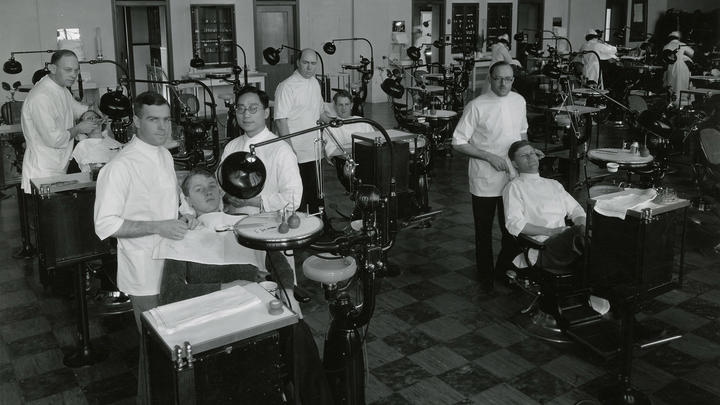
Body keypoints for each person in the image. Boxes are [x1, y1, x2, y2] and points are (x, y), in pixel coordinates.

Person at [94, 91, 194, 404]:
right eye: (153, 120)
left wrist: (186, 212)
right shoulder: (120, 167)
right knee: (158, 352)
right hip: (144, 273)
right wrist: (158, 226)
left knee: (178, 346)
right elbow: (105, 225)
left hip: (173, 265)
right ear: (136, 121)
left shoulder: (163, 154)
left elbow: (174, 197)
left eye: (166, 120)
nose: (163, 127)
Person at [158, 168, 295, 305]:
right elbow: (170, 293)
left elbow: (279, 264)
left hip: (253, 305)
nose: (208, 192)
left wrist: (287, 292)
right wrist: (230, 288)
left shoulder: (245, 225)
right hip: (208, 312)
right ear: (188, 200)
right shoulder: (182, 234)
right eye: (199, 189)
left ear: (220, 192)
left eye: (212, 186)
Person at [452, 61, 528, 292]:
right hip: (484, 178)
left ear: (513, 79)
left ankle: (505, 270)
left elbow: (522, 133)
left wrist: (527, 153)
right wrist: (488, 157)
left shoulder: (519, 101)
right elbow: (458, 142)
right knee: (483, 230)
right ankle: (485, 275)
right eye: (498, 78)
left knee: (512, 228)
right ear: (490, 79)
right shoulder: (477, 106)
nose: (503, 83)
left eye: (508, 79)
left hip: (512, 177)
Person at [20, 49, 97, 193]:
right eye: (68, 70)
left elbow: (77, 109)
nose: (73, 75)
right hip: (43, 173)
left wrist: (90, 112)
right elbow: (54, 140)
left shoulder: (61, 89)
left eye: (76, 70)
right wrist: (79, 128)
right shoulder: (41, 97)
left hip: (59, 167)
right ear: (52, 68)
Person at [503, 140, 586, 270]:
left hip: (567, 242)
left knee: (597, 231)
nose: (530, 157)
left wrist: (582, 226)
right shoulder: (514, 187)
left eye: (532, 153)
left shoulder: (553, 184)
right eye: (524, 156)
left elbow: (576, 210)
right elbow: (514, 224)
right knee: (583, 234)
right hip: (542, 247)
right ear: (515, 164)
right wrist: (551, 231)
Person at [222, 86, 303, 213]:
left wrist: (253, 201)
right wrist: (227, 196)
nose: (246, 114)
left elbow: (293, 198)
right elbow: (221, 183)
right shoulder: (231, 147)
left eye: (253, 108)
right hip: (232, 220)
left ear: (266, 113)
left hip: (268, 223)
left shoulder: (281, 150)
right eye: (240, 109)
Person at [274, 48, 328, 213]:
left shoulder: (314, 83)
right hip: (296, 151)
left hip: (314, 148)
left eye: (313, 64)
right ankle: (305, 229)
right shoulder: (286, 86)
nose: (309, 67)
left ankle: (321, 223)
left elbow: (319, 113)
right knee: (299, 194)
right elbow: (280, 121)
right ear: (298, 63)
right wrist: (290, 151)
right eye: (305, 63)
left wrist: (337, 122)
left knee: (317, 191)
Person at [324, 90, 374, 158]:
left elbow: (374, 142)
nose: (343, 108)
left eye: (346, 104)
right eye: (340, 105)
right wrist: (358, 149)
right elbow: (331, 151)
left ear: (351, 105)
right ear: (335, 106)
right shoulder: (331, 127)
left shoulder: (362, 122)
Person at [663, 31, 694, 107]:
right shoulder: (682, 44)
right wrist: (684, 56)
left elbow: (664, 59)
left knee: (672, 85)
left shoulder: (666, 46)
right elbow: (692, 53)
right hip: (681, 67)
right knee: (682, 84)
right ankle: (683, 104)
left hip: (671, 67)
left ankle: (673, 103)